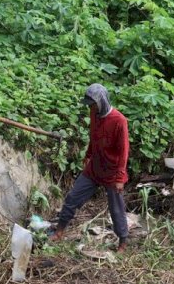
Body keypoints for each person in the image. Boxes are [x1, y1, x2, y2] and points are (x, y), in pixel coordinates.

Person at [50, 83, 130, 252]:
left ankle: (123, 241)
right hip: (94, 168)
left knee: (116, 208)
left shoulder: (119, 121)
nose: (91, 108)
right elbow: (93, 137)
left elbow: (124, 151)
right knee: (72, 198)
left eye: (93, 105)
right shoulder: (95, 115)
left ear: (101, 102)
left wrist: (120, 177)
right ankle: (59, 231)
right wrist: (88, 155)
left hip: (112, 171)